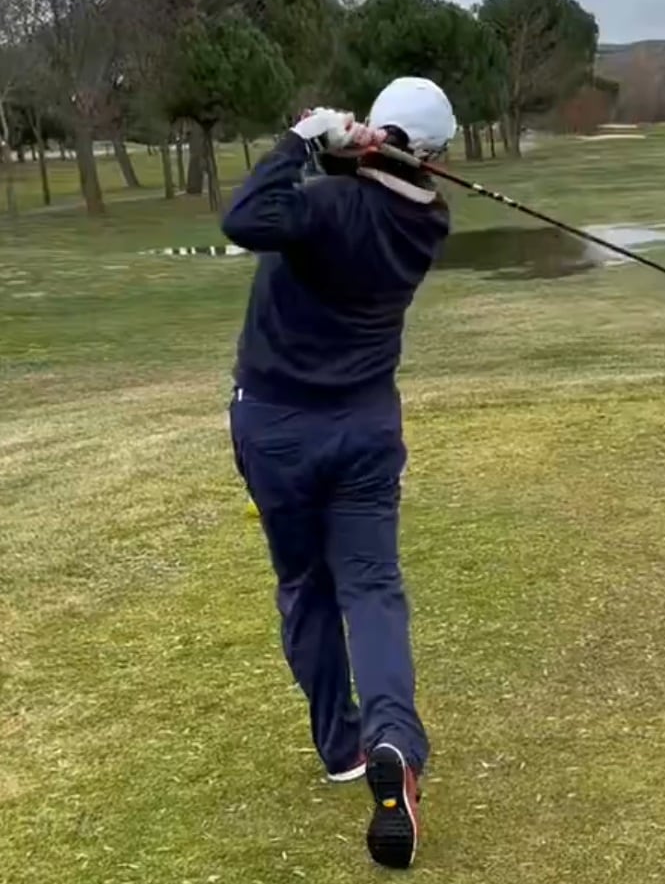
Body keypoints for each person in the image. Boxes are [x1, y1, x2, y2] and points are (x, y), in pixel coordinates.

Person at [220, 77, 457, 871]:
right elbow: (367, 193)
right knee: (372, 587)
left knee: (306, 586)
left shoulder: (324, 207)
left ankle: (344, 747)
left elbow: (245, 216)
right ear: (431, 158)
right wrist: (345, 149)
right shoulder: (428, 218)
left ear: (381, 137)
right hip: (364, 428)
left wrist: (302, 140)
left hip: (277, 426)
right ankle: (395, 740)